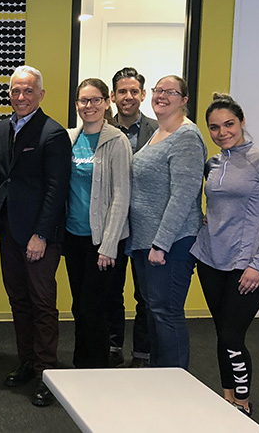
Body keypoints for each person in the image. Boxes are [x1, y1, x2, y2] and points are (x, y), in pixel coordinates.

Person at [192, 93, 259, 417]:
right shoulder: (213, 163)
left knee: (233, 336)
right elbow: (213, 205)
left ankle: (244, 403)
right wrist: (204, 221)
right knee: (222, 335)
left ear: (242, 121)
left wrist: (258, 264)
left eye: (229, 124)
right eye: (215, 127)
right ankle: (227, 397)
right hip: (210, 260)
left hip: (247, 265)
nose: (222, 132)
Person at [0, 65, 70, 407]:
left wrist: (41, 234)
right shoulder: (0, 129)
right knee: (18, 300)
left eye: (28, 91)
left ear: (40, 94)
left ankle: (46, 373)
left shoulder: (52, 134)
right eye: (15, 91)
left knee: (42, 304)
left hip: (40, 236)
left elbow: (57, 190)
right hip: (8, 231)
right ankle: (26, 361)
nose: (21, 97)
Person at [127, 75, 206, 370]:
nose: (162, 96)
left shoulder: (186, 136)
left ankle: (176, 383)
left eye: (170, 92)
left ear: (184, 100)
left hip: (171, 243)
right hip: (146, 242)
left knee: (167, 312)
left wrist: (161, 243)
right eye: (159, 90)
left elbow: (183, 195)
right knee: (155, 311)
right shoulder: (158, 132)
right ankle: (159, 378)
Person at [63, 79, 132, 369]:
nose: (88, 106)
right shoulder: (69, 138)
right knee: (79, 306)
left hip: (102, 241)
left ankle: (98, 368)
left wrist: (109, 245)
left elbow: (121, 196)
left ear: (106, 102)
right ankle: (82, 365)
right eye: (83, 100)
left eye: (94, 100)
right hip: (73, 236)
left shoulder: (116, 141)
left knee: (94, 309)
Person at [107, 67, 158, 368]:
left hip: (144, 225)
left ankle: (142, 352)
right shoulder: (98, 127)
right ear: (112, 96)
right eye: (122, 92)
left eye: (133, 91)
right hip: (111, 225)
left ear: (142, 94)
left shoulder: (159, 130)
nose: (128, 97)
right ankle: (113, 346)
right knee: (111, 292)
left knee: (145, 296)